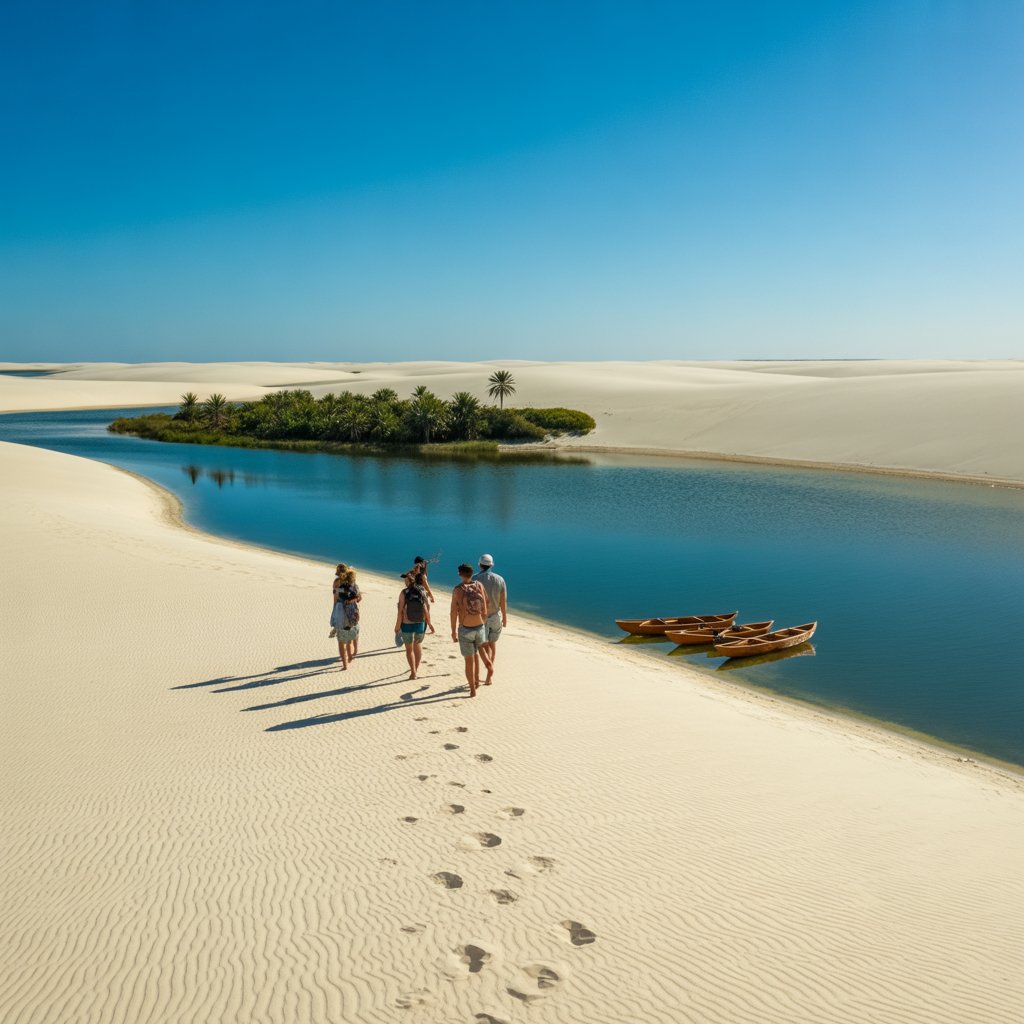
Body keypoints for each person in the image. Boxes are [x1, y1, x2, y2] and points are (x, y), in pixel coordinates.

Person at [450, 563, 491, 697]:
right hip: (480, 626)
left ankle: (472, 689)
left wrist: (453, 631)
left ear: (460, 574)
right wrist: (482, 620)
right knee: (477, 654)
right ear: (472, 573)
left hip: (465, 628)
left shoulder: (457, 589)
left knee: (469, 661)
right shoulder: (479, 585)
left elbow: (453, 612)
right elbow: (487, 603)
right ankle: (481, 676)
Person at [473, 553, 507, 685]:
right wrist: (504, 617)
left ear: (480, 565)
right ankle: (489, 676)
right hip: (496, 617)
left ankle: (488, 670)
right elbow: (503, 601)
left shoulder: (475, 579)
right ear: (491, 565)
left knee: (484, 645)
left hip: (482, 617)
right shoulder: (500, 579)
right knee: (493, 645)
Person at [395, 572, 431, 679]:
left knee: (409, 650)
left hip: (407, 624)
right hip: (420, 623)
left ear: (408, 580)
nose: (404, 581)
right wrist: (429, 623)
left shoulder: (403, 593)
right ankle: (416, 668)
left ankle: (413, 672)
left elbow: (400, 611)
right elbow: (426, 608)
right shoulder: (422, 591)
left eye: (405, 579)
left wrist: (397, 626)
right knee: (418, 646)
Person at [334, 567, 361, 669]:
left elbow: (335, 595)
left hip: (342, 615)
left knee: (341, 641)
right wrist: (352, 600)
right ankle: (351, 654)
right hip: (354, 615)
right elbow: (359, 598)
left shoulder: (340, 586)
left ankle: (345, 664)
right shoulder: (355, 586)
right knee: (349, 638)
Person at [328, 563, 347, 639]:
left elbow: (335, 594)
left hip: (339, 603)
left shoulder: (336, 581)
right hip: (348, 603)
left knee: (338, 620)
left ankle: (335, 630)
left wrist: (334, 605)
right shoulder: (348, 581)